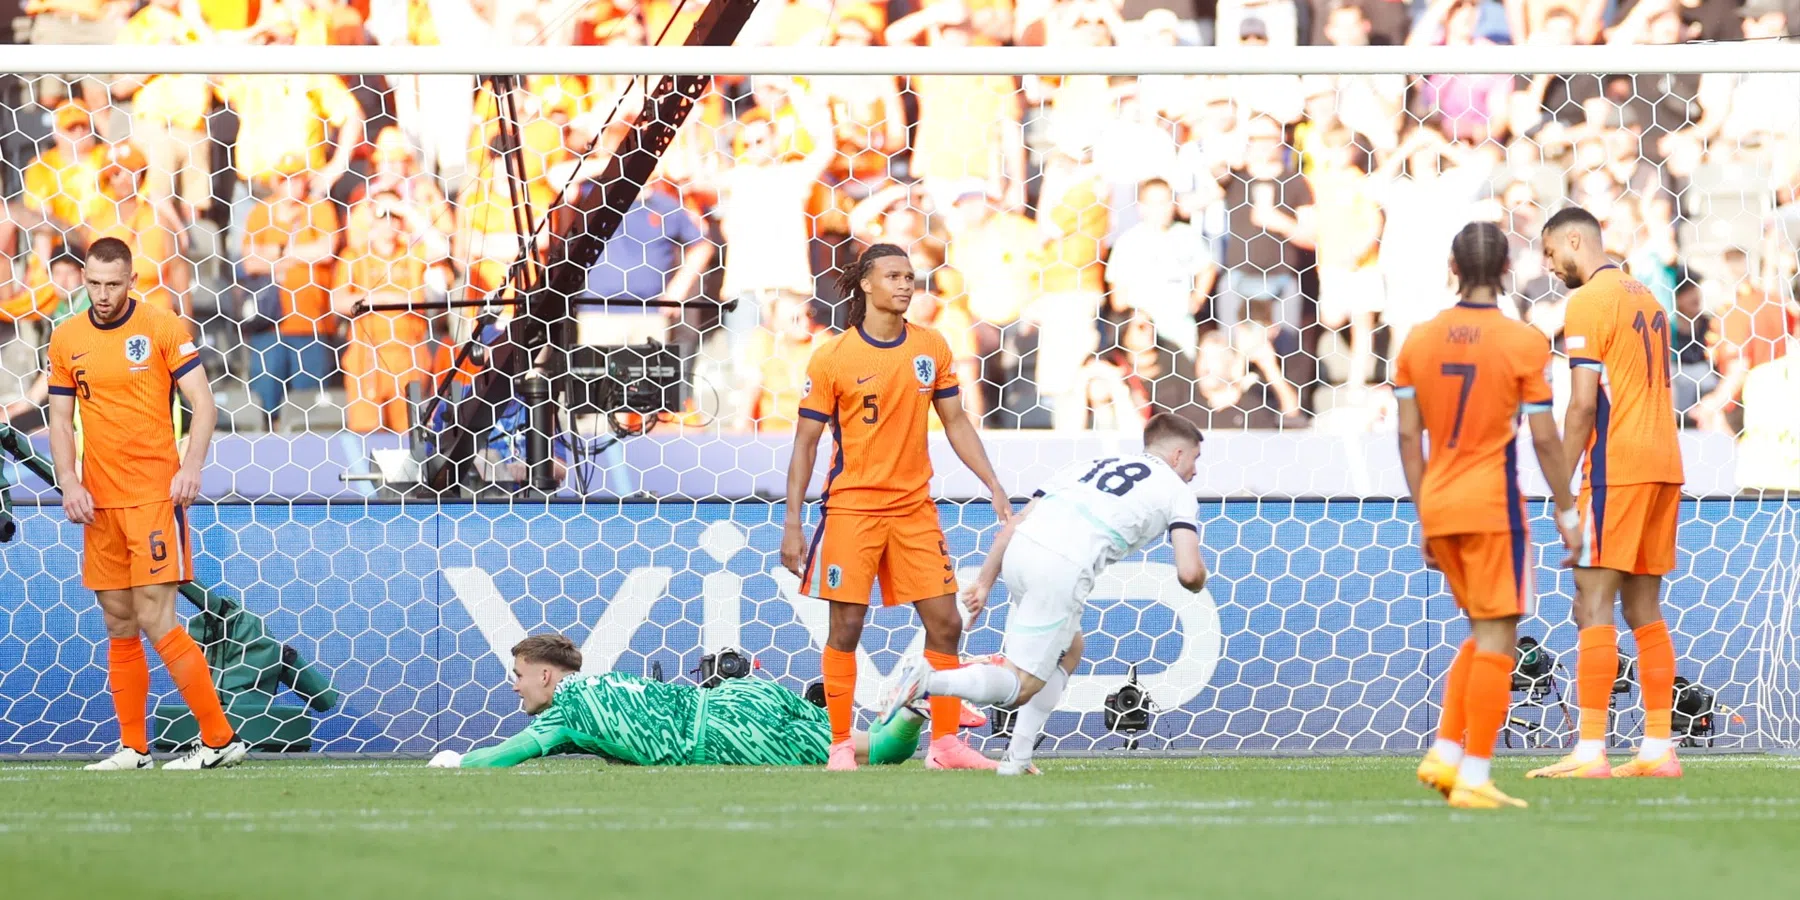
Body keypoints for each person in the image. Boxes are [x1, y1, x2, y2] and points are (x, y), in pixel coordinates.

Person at [778, 243, 1011, 771]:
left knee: (946, 623)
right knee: (846, 628)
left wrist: (992, 482)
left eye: (911, 276)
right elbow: (806, 443)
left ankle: (946, 745)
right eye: (894, 276)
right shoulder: (834, 354)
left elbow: (955, 423)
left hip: (913, 509)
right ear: (865, 284)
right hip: (852, 509)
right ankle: (841, 746)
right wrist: (792, 523)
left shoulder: (931, 346)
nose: (906, 285)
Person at [879, 413, 1208, 775]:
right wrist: (1200, 578)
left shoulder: (1090, 466)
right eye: (1194, 459)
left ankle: (1016, 759)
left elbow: (1016, 523)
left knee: (1072, 648)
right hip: (1061, 569)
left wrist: (985, 582)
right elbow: (1189, 573)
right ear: (1177, 455)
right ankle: (928, 681)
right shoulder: (1178, 492)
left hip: (1021, 552)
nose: (1194, 471)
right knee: (1022, 687)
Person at [1398, 222, 1584, 810]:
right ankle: (1474, 773)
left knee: (1482, 633)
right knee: (1499, 638)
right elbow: (1546, 439)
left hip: (1441, 504)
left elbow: (1408, 438)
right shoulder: (1524, 342)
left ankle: (1446, 754)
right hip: (1492, 507)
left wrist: (1425, 512)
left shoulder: (1417, 341)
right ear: (1508, 270)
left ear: (1452, 268)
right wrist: (1567, 507)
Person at [47, 238, 246, 771]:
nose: (103, 294)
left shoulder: (161, 327)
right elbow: (60, 420)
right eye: (93, 283)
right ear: (84, 279)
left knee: (158, 619)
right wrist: (69, 480)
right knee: (118, 622)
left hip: (155, 494)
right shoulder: (66, 337)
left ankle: (220, 740)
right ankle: (134, 748)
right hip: (99, 502)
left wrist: (191, 466)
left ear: (131, 281)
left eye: (113, 284)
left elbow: (202, 404)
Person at [1528, 207, 1686, 780]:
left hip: (1615, 467)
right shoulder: (1647, 295)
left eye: (1550, 252)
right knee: (1644, 607)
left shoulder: (1588, 301)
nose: (1548, 266)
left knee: (1592, 602)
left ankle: (1591, 751)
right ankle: (1656, 749)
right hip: (1664, 462)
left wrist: (1561, 483)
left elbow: (1582, 404)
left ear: (1575, 239)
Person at [425, 634, 926, 769]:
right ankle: (911, 707)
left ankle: (909, 709)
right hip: (741, 695)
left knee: (874, 754)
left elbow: (507, 754)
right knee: (869, 746)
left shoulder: (566, 712)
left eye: (518, 675)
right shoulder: (600, 684)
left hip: (727, 737)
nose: (514, 685)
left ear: (545, 674)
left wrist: (455, 760)